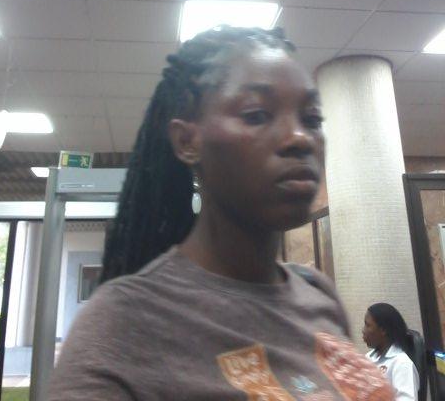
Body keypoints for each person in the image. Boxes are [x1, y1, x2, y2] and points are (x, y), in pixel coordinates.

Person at [48, 25, 393, 401]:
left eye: (311, 119)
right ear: (187, 141)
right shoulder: (121, 325)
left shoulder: (319, 294)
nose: (299, 138)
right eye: (256, 114)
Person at [363, 303, 419, 401]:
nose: (363, 330)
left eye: (368, 325)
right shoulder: (367, 358)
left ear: (383, 330)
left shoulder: (401, 363)